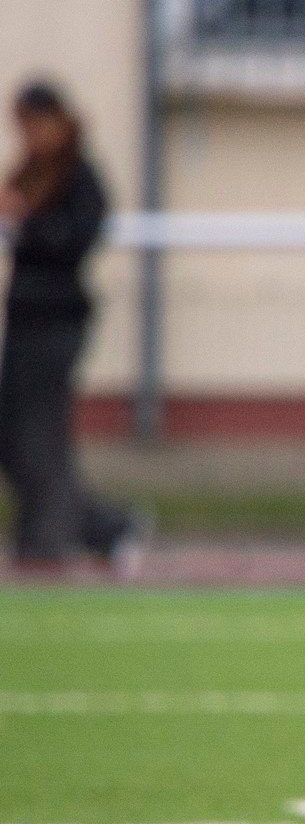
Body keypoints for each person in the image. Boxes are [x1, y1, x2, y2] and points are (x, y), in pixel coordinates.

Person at [1, 82, 142, 574]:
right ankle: (105, 527)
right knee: (14, 437)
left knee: (38, 436)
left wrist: (24, 224)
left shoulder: (79, 176)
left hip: (56, 320)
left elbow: (77, 238)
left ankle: (45, 543)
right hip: (23, 319)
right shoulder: (29, 172)